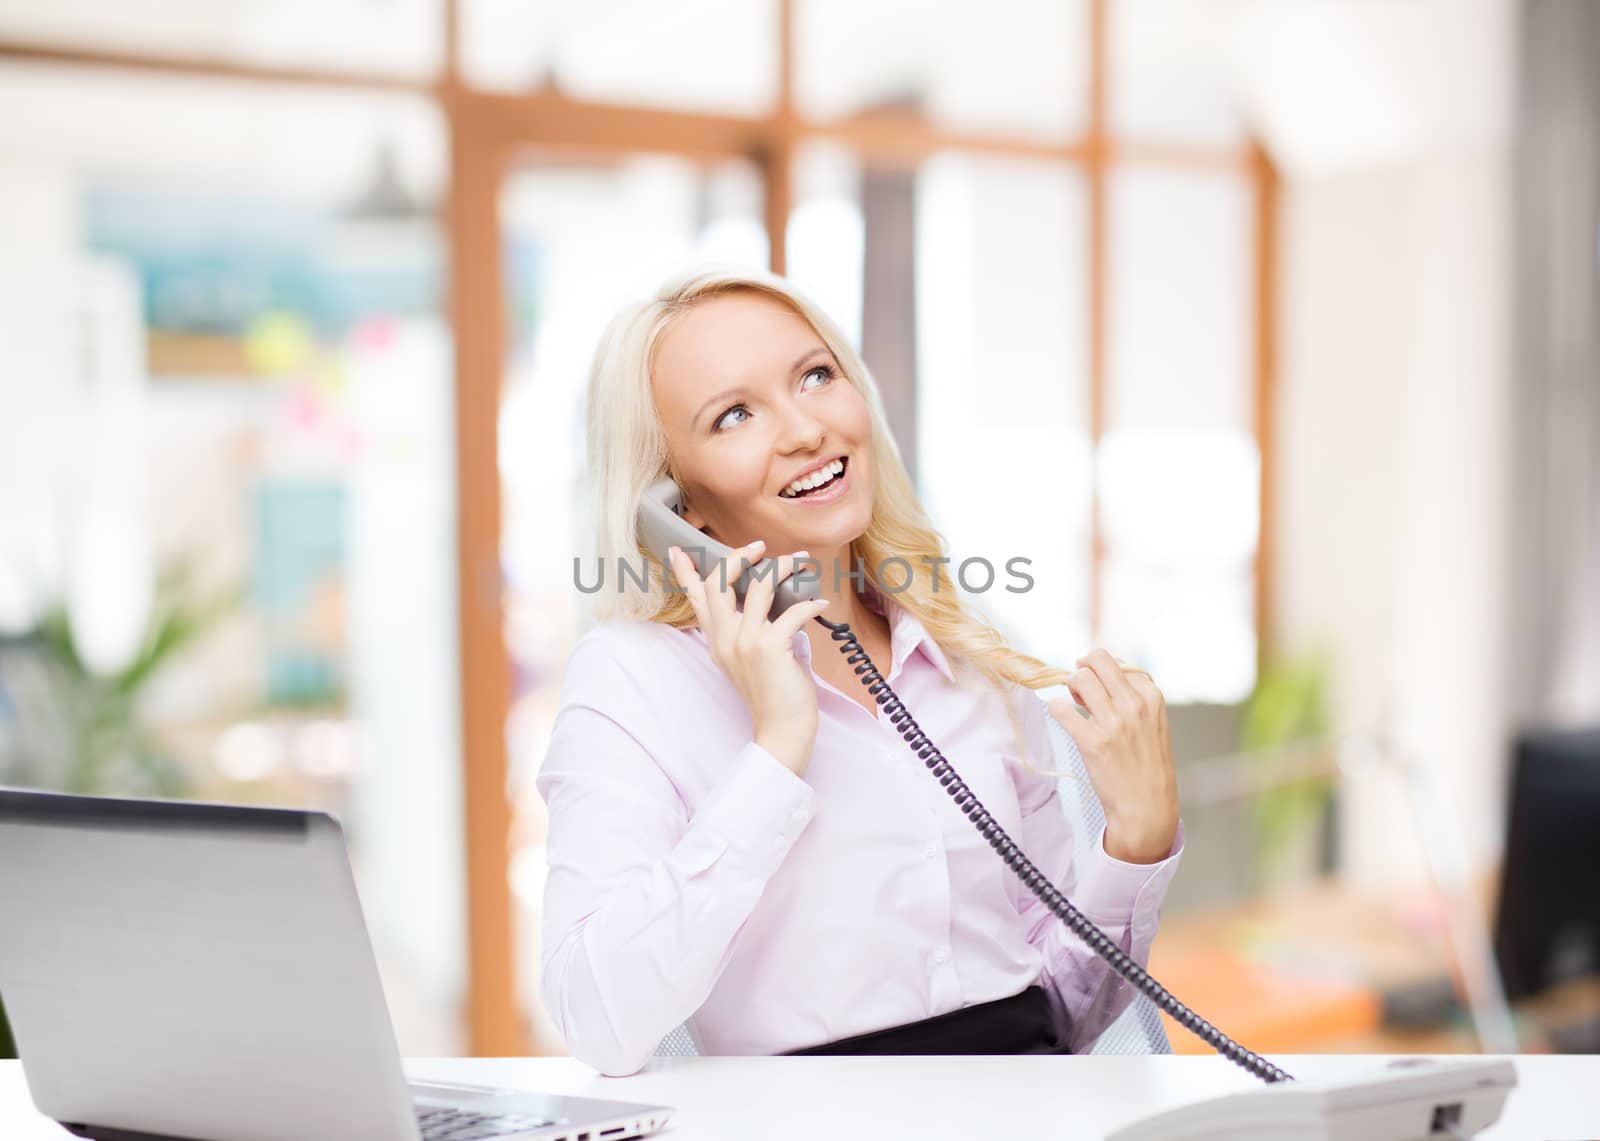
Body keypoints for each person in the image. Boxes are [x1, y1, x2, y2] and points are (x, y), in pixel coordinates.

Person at [537, 267, 1184, 1077]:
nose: (805, 429)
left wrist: (1136, 841)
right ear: (676, 505)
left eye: (815, 376)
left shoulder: (966, 651)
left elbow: (1068, 1012)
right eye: (734, 414)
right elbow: (596, 1018)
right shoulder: (634, 677)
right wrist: (776, 749)